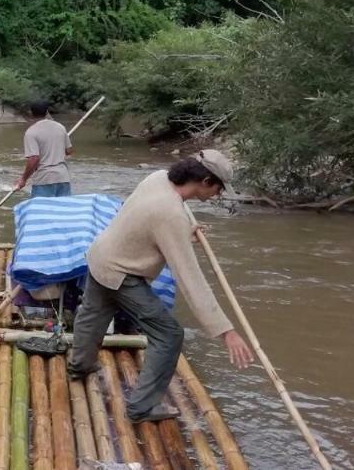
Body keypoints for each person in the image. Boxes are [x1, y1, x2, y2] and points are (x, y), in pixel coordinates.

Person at [67, 150, 254, 422]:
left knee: (93, 313)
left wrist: (184, 231)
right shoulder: (172, 215)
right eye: (218, 187)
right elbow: (191, 280)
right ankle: (141, 407)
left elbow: (146, 220)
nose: (218, 194)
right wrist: (226, 332)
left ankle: (79, 367)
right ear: (204, 180)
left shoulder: (158, 179)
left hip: (101, 254)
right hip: (122, 271)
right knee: (169, 336)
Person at [15, 100, 73, 197]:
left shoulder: (31, 132)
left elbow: (34, 159)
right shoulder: (60, 127)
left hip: (44, 179)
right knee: (63, 210)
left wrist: (23, 179)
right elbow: (69, 151)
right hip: (63, 178)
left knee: (41, 211)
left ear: (31, 113)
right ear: (47, 112)